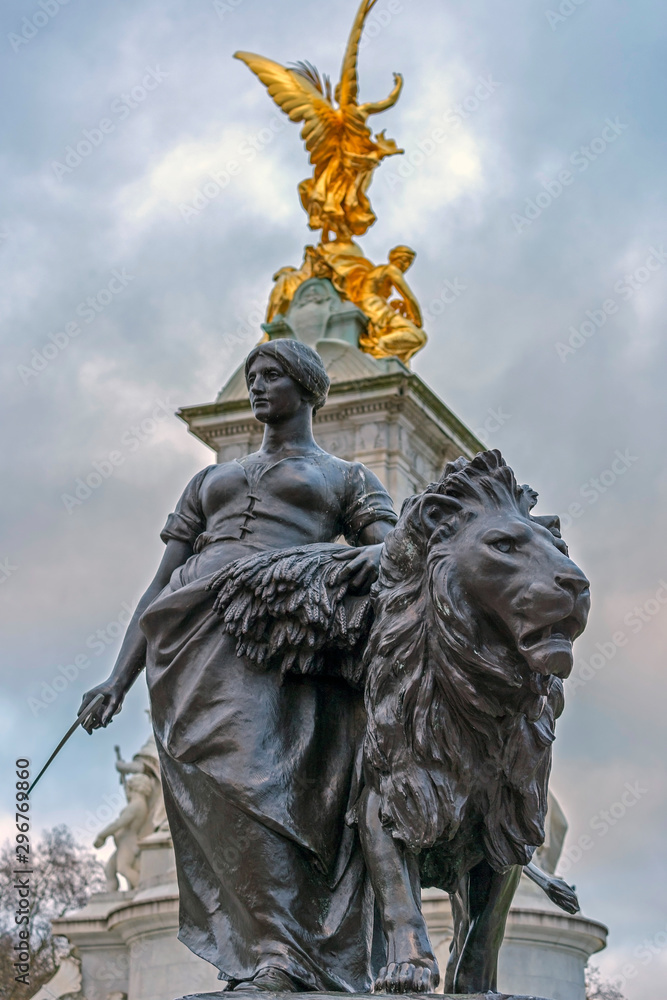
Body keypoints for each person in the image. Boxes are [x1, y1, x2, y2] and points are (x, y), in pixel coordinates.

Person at [79, 339, 397, 994]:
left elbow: (391, 558)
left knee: (268, 787)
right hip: (189, 644)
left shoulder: (347, 478)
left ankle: (285, 953)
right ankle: (250, 953)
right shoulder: (207, 482)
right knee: (216, 798)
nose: (257, 388)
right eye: (251, 377)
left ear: (307, 388)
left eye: (271, 376)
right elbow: (158, 586)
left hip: (278, 638)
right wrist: (118, 677)